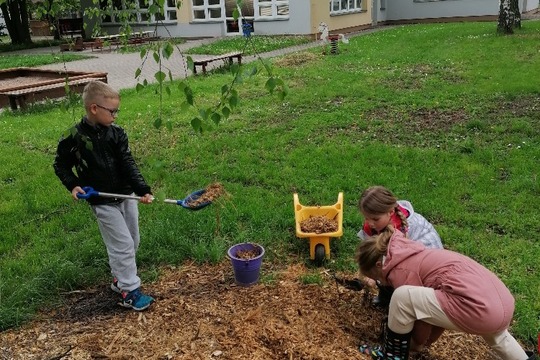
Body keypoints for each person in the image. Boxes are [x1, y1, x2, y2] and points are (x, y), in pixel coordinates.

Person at [356, 226, 535, 360]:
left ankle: (391, 355)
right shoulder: (412, 253)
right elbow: (436, 309)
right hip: (500, 304)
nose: (380, 282)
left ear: (379, 265)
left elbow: (421, 317)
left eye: (375, 277)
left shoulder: (400, 271)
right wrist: (428, 341)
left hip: (478, 308)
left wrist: (416, 344)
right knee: (498, 337)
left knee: (402, 297)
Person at [53, 80, 155, 311]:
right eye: (112, 111)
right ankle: (129, 291)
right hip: (102, 200)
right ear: (94, 109)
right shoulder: (73, 137)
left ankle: (119, 280)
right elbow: (61, 165)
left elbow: (127, 163)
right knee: (122, 245)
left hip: (126, 196)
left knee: (132, 241)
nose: (116, 116)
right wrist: (73, 185)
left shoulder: (117, 134)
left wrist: (142, 190)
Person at [357, 185, 443, 307]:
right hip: (405, 263)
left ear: (391, 212)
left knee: (389, 269)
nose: (370, 223)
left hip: (427, 267)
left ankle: (404, 303)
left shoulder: (408, 227)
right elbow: (370, 253)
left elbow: (399, 263)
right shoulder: (374, 225)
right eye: (367, 218)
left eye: (375, 219)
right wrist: (369, 272)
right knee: (382, 267)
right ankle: (387, 297)